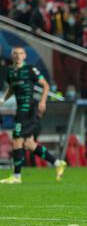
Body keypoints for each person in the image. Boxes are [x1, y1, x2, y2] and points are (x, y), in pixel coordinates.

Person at [0, 47, 67, 184]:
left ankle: (16, 177)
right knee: (29, 144)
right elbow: (12, 88)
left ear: (25, 56)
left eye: (20, 53)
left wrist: (43, 101)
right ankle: (57, 163)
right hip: (21, 109)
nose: (18, 56)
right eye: (15, 54)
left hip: (28, 109)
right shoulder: (10, 71)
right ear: (12, 56)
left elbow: (45, 85)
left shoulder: (30, 69)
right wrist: (2, 100)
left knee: (17, 140)